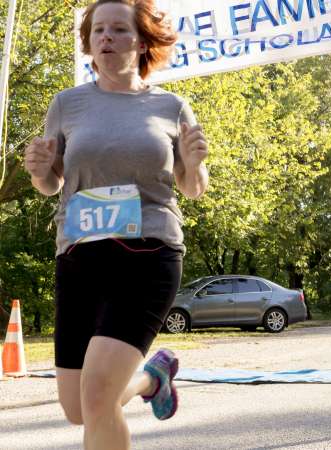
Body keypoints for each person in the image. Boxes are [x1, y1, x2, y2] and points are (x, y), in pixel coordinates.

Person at [24, 0, 208, 449]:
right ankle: (152, 378)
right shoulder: (67, 104)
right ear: (88, 43)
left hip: (148, 250)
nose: (106, 37)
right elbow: (52, 185)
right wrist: (38, 170)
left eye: (118, 29)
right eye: (98, 30)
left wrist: (197, 163)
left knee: (98, 396)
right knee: (77, 407)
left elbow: (192, 187)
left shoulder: (171, 106)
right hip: (80, 253)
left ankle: (145, 379)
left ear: (141, 41)